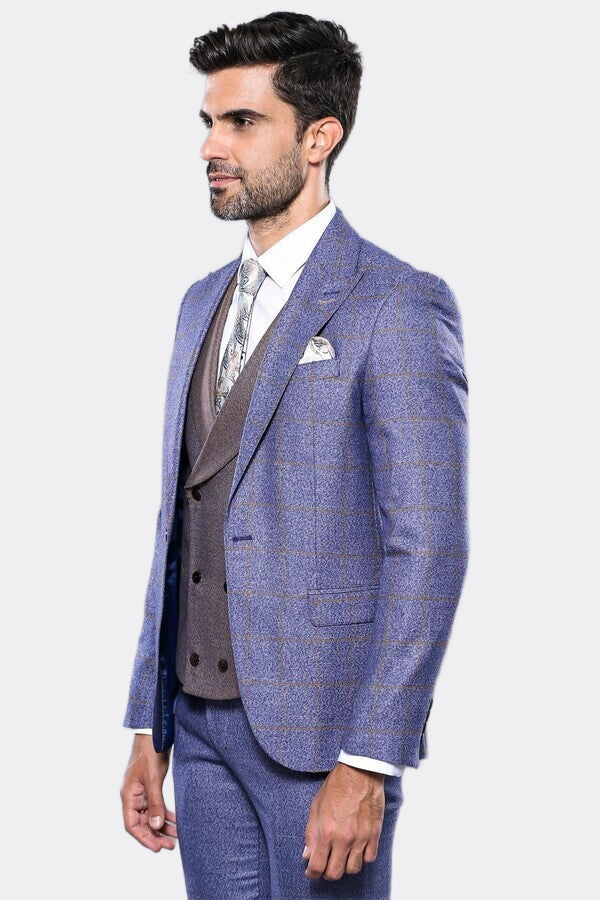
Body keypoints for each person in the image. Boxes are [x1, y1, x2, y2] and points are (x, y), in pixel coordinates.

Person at [120, 11, 469, 899]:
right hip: (198, 726)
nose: (212, 146)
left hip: (322, 741)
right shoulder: (199, 303)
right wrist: (148, 723)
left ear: (319, 138)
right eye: (209, 121)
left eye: (243, 122)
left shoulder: (394, 302)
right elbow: (180, 520)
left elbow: (429, 545)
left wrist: (370, 758)